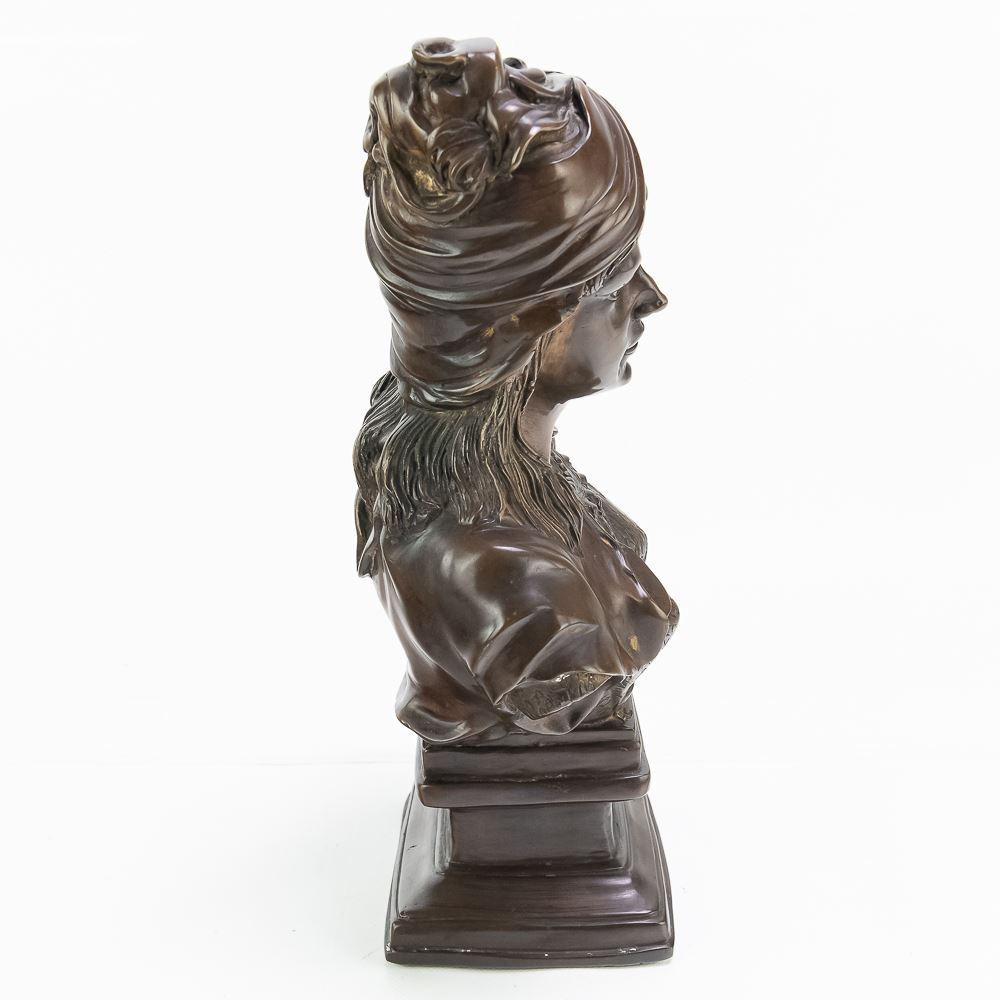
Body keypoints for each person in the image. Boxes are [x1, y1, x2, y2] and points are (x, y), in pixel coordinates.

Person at [354, 37, 678, 744]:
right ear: (523, 330)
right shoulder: (512, 587)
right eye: (616, 283)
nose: (653, 298)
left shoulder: (508, 487)